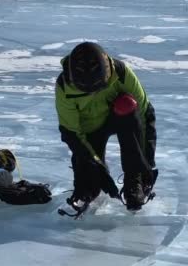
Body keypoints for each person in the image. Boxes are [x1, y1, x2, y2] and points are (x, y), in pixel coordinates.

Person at [55, 42, 158, 211]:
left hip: (120, 118)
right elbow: (71, 133)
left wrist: (144, 164)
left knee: (128, 104)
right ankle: (89, 184)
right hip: (89, 130)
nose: (93, 93)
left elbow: (145, 116)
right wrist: (97, 166)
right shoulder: (64, 87)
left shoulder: (122, 73)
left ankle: (134, 181)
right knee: (90, 186)